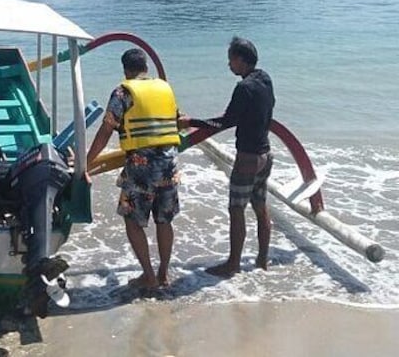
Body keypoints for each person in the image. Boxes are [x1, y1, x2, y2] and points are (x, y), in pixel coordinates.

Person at [179, 36, 275, 277]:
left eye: (231, 60)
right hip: (266, 154)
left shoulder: (243, 88)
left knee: (236, 210)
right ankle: (263, 260)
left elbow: (225, 122)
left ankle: (233, 264)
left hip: (248, 158)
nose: (229, 65)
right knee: (261, 208)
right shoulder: (265, 78)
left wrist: (191, 122)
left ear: (241, 60)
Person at [87, 48, 181, 290]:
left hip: (142, 167)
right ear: (146, 67)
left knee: (132, 220)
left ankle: (148, 276)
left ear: (126, 70)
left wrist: (87, 162)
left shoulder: (123, 92)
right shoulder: (164, 88)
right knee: (164, 220)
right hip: (170, 164)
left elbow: (107, 129)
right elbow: (177, 119)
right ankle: (163, 274)